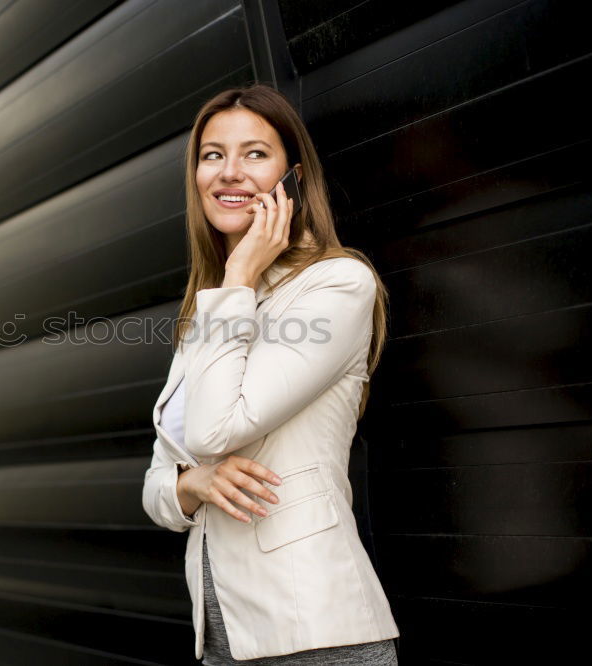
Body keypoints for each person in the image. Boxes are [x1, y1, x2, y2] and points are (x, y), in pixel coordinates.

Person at [141, 84, 400, 664]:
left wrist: (237, 274)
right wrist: (191, 485)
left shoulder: (336, 286)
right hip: (221, 634)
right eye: (212, 155)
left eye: (255, 154)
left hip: (314, 632)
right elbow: (157, 485)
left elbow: (212, 433)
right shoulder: (209, 311)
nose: (230, 172)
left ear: (294, 178)